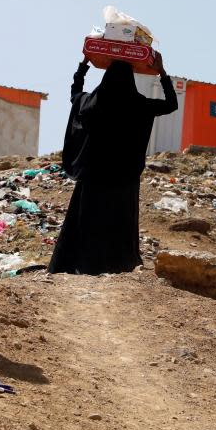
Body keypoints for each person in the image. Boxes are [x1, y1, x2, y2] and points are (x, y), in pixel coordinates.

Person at [49, 54, 178, 275]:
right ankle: (118, 264)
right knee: (118, 223)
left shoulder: (91, 103)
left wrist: (84, 65)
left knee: (87, 221)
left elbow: (74, 94)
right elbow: (171, 104)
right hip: (124, 179)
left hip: (93, 176)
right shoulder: (139, 105)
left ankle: (82, 264)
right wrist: (162, 72)